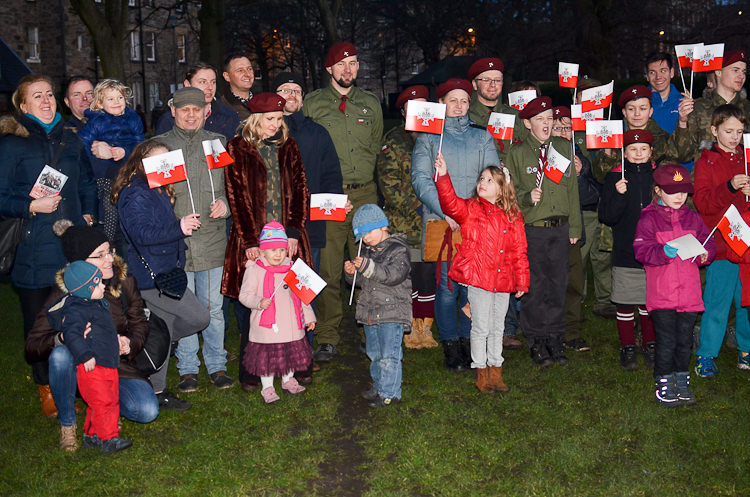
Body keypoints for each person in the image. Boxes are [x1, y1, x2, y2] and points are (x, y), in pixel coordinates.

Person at [0, 74, 97, 417]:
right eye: (36, 96)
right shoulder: (12, 144)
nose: (46, 101)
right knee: (39, 323)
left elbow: (87, 182)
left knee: (77, 316)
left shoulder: (71, 140)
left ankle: (77, 377)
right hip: (33, 249)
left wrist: (87, 213)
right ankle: (46, 386)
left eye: (50, 95)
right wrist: (29, 205)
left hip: (70, 246)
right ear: (23, 106)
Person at [26, 220, 158, 452]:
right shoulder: (64, 294)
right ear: (80, 262)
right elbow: (33, 345)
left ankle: (103, 410)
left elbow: (140, 323)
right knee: (60, 355)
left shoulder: (123, 282)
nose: (109, 259)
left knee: (146, 411)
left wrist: (129, 343)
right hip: (82, 369)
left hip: (116, 367)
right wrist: (63, 338)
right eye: (100, 255)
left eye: (110, 251)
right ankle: (68, 423)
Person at [221, 92, 312, 392]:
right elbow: (237, 197)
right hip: (255, 238)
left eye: (279, 119)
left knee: (297, 297)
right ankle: (252, 371)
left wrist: (295, 231)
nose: (275, 125)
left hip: (288, 237)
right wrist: (249, 240)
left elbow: (300, 189)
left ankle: (298, 365)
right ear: (255, 119)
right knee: (256, 302)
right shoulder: (237, 147)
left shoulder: (289, 146)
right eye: (269, 119)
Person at [114, 139, 210, 411]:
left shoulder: (153, 188)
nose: (164, 165)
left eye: (167, 159)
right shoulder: (135, 193)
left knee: (164, 328)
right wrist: (179, 227)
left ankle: (156, 388)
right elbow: (142, 235)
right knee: (198, 317)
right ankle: (144, 351)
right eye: (158, 160)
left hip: (165, 274)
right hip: (150, 278)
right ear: (141, 161)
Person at [411, 78, 500, 371]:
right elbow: (421, 180)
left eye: (464, 100)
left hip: (476, 221)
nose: (459, 106)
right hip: (443, 222)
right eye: (453, 100)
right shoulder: (428, 139)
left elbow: (491, 176)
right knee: (448, 286)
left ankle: (467, 340)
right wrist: (445, 211)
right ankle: (450, 344)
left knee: (472, 287)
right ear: (441, 104)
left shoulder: (482, 136)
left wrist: (473, 213)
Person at [303, 42, 383, 362]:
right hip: (329, 195)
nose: (348, 69)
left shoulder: (370, 104)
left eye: (353, 63)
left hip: (364, 193)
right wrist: (330, 191)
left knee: (368, 265)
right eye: (341, 64)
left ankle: (370, 330)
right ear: (329, 70)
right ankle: (326, 335)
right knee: (329, 266)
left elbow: (374, 146)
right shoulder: (314, 104)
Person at [156, 86, 233, 392]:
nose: (190, 115)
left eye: (196, 110)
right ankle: (188, 368)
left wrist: (225, 206)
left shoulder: (217, 144)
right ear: (173, 111)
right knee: (185, 307)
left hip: (212, 239)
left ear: (206, 112)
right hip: (179, 243)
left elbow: (231, 188)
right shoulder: (159, 148)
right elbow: (154, 199)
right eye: (184, 110)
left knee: (213, 307)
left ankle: (217, 364)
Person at [272, 71, 347, 377]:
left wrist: (331, 208)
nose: (292, 94)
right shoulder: (266, 132)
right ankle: (275, 348)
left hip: (309, 227)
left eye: (297, 90)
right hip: (274, 228)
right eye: (285, 89)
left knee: (303, 288)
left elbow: (331, 176)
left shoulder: (317, 133)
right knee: (274, 288)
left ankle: (304, 349)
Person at [434, 155, 529, 393]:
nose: (482, 182)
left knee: (498, 328)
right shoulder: (471, 210)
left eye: (490, 180)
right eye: (481, 178)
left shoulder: (514, 216)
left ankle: (496, 370)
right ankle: (481, 371)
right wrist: (443, 176)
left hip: (503, 280)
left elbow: (519, 251)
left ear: (502, 189)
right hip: (479, 278)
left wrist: (522, 280)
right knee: (480, 327)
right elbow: (449, 203)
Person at [505, 96, 581, 367]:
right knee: (535, 286)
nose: (547, 124)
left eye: (550, 119)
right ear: (527, 123)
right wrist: (527, 196)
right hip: (533, 229)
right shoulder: (517, 152)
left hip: (560, 228)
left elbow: (572, 190)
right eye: (540, 120)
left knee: (558, 284)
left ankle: (555, 337)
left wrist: (575, 226)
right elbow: (509, 192)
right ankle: (536, 339)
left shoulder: (562, 147)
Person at [634, 163, 715, 406]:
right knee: (666, 340)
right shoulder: (649, 219)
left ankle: (682, 379)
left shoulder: (693, 218)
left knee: (684, 340)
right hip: (663, 295)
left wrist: (705, 255)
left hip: (689, 294)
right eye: (671, 191)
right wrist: (662, 251)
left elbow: (708, 243)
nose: (679, 196)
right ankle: (664, 381)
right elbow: (641, 250)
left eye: (683, 191)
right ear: (658, 191)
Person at [47, 260, 133, 453]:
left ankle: (92, 435)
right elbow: (71, 333)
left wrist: (117, 341)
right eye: (98, 284)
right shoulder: (76, 309)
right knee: (103, 401)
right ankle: (109, 438)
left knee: (106, 399)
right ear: (85, 289)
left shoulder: (95, 303)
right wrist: (85, 355)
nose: (103, 286)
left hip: (107, 362)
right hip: (93, 365)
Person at [376, 85, 437, 350]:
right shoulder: (394, 141)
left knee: (429, 276)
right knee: (408, 277)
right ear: (403, 112)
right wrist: (424, 200)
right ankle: (409, 326)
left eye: (426, 105)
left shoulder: (439, 138)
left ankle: (427, 326)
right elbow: (390, 187)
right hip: (407, 223)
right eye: (414, 107)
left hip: (435, 221)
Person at [692, 104, 750, 377]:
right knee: (717, 301)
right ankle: (706, 354)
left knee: (746, 301)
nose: (735, 137)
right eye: (728, 131)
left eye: (739, 131)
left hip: (747, 243)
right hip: (722, 243)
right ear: (714, 130)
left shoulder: (747, 157)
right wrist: (729, 187)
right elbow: (703, 204)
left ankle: (745, 348)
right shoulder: (706, 162)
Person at [599, 130, 658, 371]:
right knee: (625, 301)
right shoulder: (615, 178)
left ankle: (649, 342)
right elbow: (607, 216)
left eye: (643, 149)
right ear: (624, 153)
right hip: (626, 249)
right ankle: (627, 345)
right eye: (633, 150)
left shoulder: (658, 177)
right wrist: (619, 195)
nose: (638, 154)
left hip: (653, 251)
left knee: (649, 302)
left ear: (651, 152)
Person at [238, 222, 315, 403]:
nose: (278, 255)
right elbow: (244, 295)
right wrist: (258, 302)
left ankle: (288, 380)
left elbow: (303, 296)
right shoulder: (255, 270)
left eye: (281, 250)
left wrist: (309, 318)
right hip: (267, 326)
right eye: (273, 251)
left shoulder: (293, 270)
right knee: (268, 358)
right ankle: (268, 386)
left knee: (290, 354)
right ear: (263, 252)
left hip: (290, 324)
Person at [344, 205, 411, 407]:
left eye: (369, 233)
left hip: (392, 312)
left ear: (384, 227)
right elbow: (361, 283)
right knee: (374, 354)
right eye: (362, 236)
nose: (366, 239)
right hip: (371, 312)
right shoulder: (366, 252)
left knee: (389, 355)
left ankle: (390, 393)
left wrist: (367, 266)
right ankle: (380, 385)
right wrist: (351, 273)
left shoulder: (399, 249)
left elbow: (393, 276)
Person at [77, 79, 145, 244]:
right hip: (101, 172)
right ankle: (100, 238)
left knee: (117, 204)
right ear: (100, 104)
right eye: (111, 99)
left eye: (120, 98)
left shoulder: (132, 118)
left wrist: (124, 151)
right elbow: (82, 142)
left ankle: (115, 238)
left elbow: (140, 143)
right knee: (102, 202)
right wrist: (93, 154)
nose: (117, 102)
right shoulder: (97, 121)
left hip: (122, 171)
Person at [552, 106, 595, 352]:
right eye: (556, 126)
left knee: (574, 282)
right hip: (546, 229)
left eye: (566, 127)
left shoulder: (579, 157)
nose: (561, 132)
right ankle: (546, 329)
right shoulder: (540, 154)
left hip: (572, 229)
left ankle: (571, 331)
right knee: (547, 282)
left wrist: (579, 175)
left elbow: (591, 197)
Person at [593, 85, 684, 182]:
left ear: (650, 111)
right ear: (624, 112)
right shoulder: (615, 138)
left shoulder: (663, 138)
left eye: (643, 108)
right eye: (631, 109)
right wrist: (608, 151)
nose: (637, 114)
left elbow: (673, 169)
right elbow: (601, 177)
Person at [674, 50, 750, 163]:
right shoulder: (697, 108)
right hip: (706, 178)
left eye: (743, 71)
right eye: (735, 70)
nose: (741, 76)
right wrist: (683, 122)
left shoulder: (747, 108)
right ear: (718, 72)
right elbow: (683, 156)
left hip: (742, 177)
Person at [155, 62, 240, 141]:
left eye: (213, 82)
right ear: (188, 84)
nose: (210, 87)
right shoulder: (169, 119)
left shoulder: (229, 116)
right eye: (203, 82)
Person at [467, 57, 526, 163]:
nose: (493, 84)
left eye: (497, 80)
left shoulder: (517, 116)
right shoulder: (466, 117)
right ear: (475, 84)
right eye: (486, 80)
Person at [645, 52, 683, 133]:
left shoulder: (683, 102)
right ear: (647, 76)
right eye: (652, 72)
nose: (658, 77)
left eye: (663, 71)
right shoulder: (638, 104)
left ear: (671, 72)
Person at [221, 52, 254, 120]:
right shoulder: (221, 107)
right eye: (240, 70)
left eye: (249, 69)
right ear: (227, 76)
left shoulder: (264, 102)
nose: (247, 74)